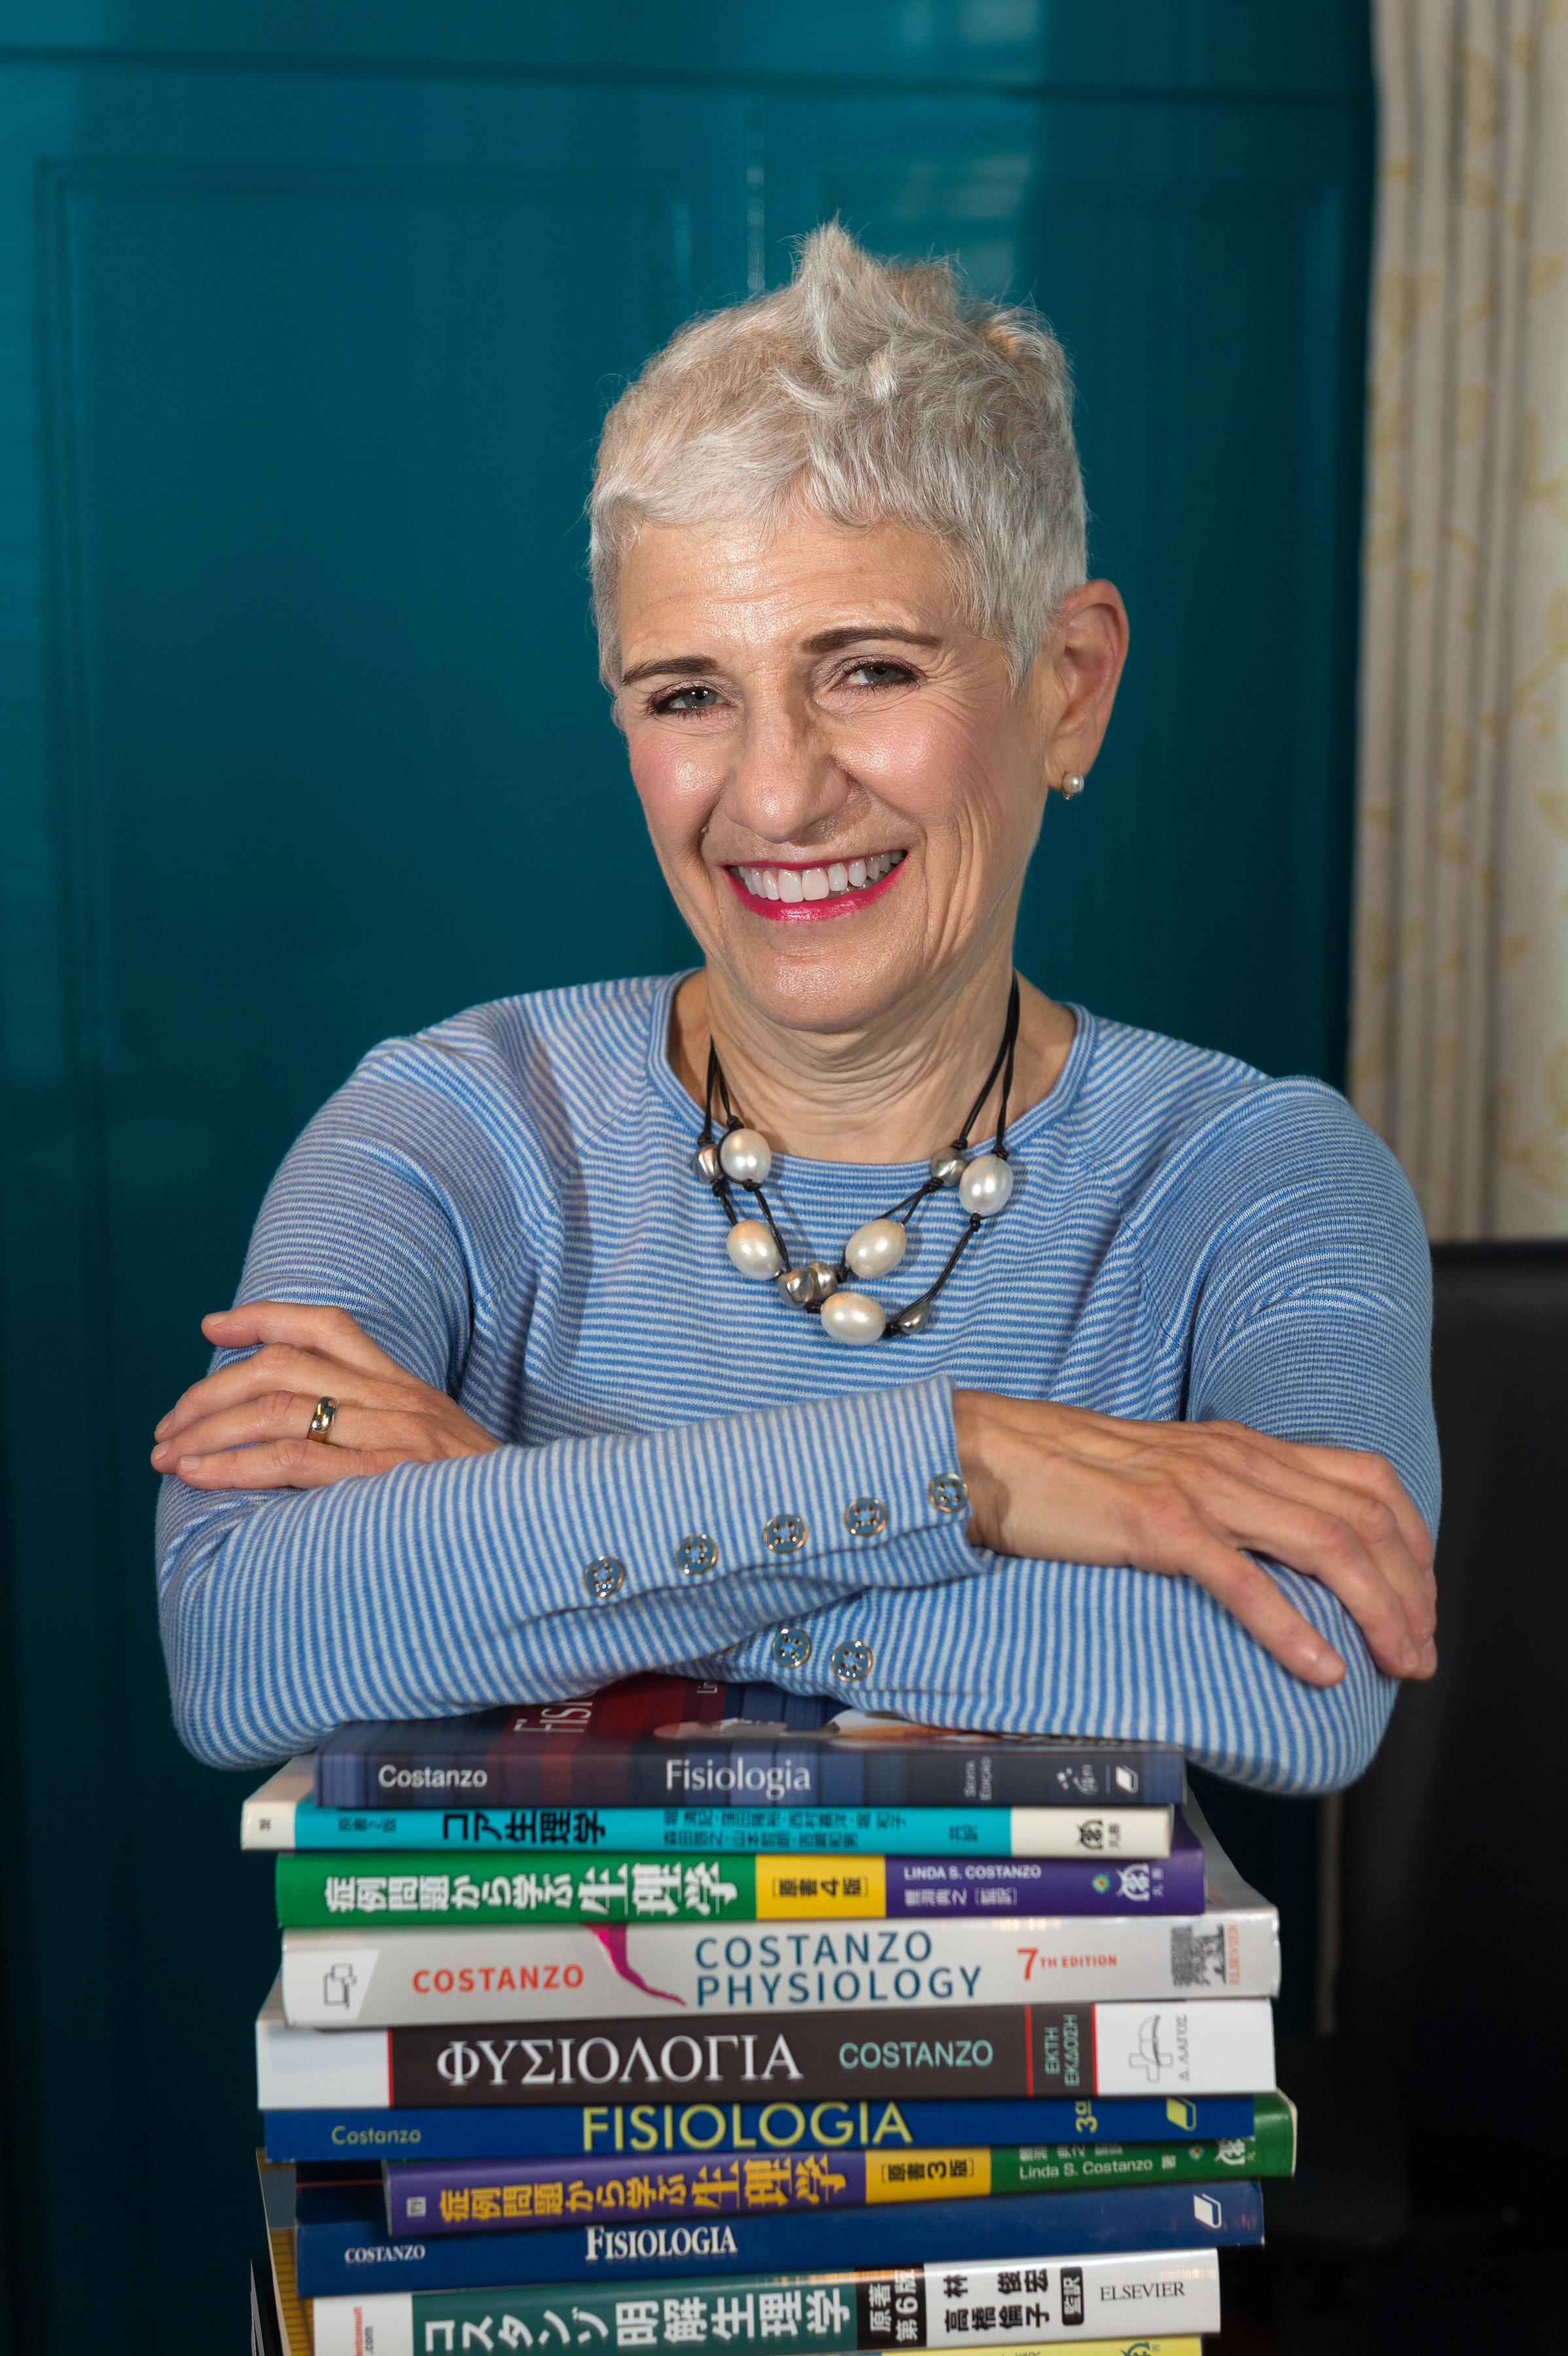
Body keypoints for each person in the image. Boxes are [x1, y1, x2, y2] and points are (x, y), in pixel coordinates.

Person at [152, 225, 1437, 1793]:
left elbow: (1294, 1677)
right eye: (687, 693)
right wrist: (968, 1464)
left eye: (869, 671)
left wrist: (520, 1522)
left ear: (1068, 683)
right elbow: (242, 1637)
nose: (773, 791)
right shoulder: (449, 1127)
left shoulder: (1258, 1181)